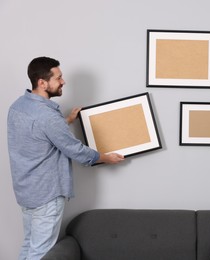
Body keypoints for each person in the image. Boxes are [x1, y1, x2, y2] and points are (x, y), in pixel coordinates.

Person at [7, 56, 125, 260]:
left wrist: (67, 120)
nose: (63, 82)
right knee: (40, 253)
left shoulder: (18, 107)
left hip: (26, 191)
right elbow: (76, 150)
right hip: (46, 195)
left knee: (28, 246)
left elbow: (39, 135)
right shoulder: (47, 116)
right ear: (42, 83)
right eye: (58, 78)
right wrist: (107, 157)